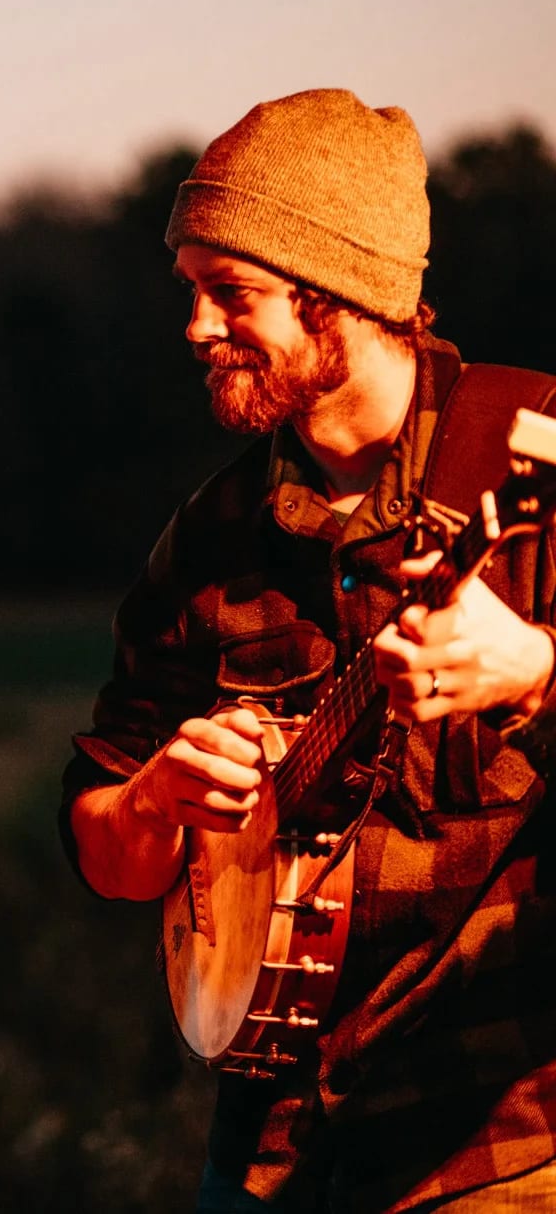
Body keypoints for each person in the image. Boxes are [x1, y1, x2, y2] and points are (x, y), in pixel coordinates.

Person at [61, 89, 556, 1211]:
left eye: (230, 292)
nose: (195, 328)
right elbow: (103, 848)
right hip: (269, 1149)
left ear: (337, 293)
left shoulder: (528, 462)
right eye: (190, 290)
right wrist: (149, 799)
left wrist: (535, 675)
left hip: (499, 1145)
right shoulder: (210, 537)